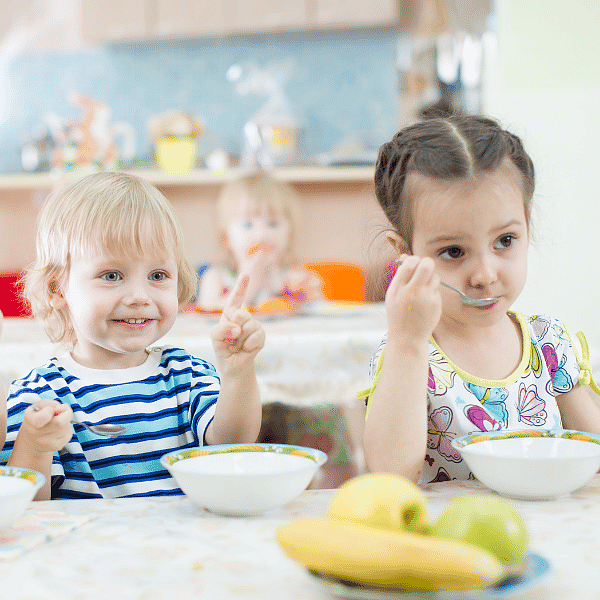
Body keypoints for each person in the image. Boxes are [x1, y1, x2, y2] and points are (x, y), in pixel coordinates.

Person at [360, 114, 600, 484]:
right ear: (405, 253)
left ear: (526, 221)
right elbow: (392, 474)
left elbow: (593, 452)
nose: (485, 275)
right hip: (451, 539)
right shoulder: (408, 356)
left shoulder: (548, 343)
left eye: (505, 241)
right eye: (454, 251)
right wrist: (407, 343)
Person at [0, 172, 264, 500]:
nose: (140, 296)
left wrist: (239, 374)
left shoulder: (187, 374)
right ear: (58, 289)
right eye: (112, 275)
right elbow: (30, 506)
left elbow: (233, 445)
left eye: (157, 275)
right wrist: (35, 444)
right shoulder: (38, 396)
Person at [197, 172, 322, 310]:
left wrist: (306, 294)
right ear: (225, 237)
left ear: (290, 236)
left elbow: (315, 313)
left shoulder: (293, 277)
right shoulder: (216, 278)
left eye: (273, 224)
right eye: (248, 225)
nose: (261, 235)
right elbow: (207, 313)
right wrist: (250, 283)